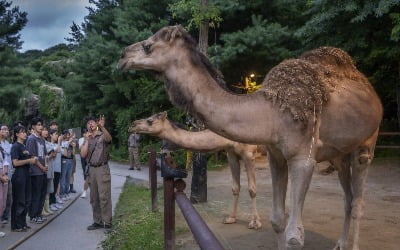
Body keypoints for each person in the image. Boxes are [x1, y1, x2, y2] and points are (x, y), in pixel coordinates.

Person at [80, 115, 112, 230]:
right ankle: (97, 221)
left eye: (92, 122)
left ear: (96, 123)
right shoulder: (86, 138)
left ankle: (107, 222)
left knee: (104, 196)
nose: (90, 124)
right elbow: (83, 154)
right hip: (91, 169)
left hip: (102, 168)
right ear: (86, 126)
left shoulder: (102, 135)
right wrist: (87, 140)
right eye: (88, 123)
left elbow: (109, 139)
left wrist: (103, 127)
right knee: (94, 197)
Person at [11, 125, 37, 232]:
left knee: (27, 200)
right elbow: (15, 163)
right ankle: (16, 225)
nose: (25, 133)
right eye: (22, 132)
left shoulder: (24, 146)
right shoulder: (15, 146)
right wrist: (29, 161)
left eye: (25, 132)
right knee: (19, 200)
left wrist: (32, 158)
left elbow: (27, 158)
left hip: (26, 174)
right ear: (17, 134)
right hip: (19, 175)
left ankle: (23, 223)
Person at [26, 117, 48, 224]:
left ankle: (38, 214)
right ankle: (33, 215)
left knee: (42, 193)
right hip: (35, 171)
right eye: (38, 125)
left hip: (43, 171)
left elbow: (44, 155)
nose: (41, 127)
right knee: (35, 194)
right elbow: (33, 157)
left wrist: (46, 166)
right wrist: (42, 167)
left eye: (41, 125)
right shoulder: (31, 139)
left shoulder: (41, 140)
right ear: (33, 126)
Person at [48, 129, 63, 210]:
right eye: (55, 134)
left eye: (57, 134)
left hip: (58, 168)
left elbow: (60, 150)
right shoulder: (50, 144)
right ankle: (50, 203)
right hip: (52, 169)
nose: (57, 136)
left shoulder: (56, 144)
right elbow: (55, 152)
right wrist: (59, 141)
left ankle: (54, 202)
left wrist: (59, 143)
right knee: (52, 187)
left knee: (56, 185)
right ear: (50, 135)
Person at [0, 124, 12, 225]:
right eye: (3, 129)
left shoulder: (8, 143)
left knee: (8, 198)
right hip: (2, 175)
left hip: (8, 174)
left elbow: (8, 160)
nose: (6, 131)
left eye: (7, 129)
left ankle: (5, 217)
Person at [60, 130, 75, 200]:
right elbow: (64, 152)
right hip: (64, 160)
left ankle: (66, 193)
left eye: (68, 135)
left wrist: (74, 146)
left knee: (68, 177)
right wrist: (69, 142)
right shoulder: (62, 142)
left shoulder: (70, 143)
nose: (68, 136)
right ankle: (62, 194)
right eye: (67, 135)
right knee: (63, 177)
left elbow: (73, 154)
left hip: (70, 160)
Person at [0, 137, 9, 237]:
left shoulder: (1, 148)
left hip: (3, 174)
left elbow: (5, 161)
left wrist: (5, 174)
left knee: (3, 202)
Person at [78, 128, 90, 198]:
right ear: (83, 134)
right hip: (83, 157)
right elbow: (80, 148)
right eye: (85, 133)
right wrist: (85, 140)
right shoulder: (81, 139)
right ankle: (85, 189)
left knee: (89, 173)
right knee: (85, 172)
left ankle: (86, 188)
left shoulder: (91, 138)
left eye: (87, 132)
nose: (86, 134)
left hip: (89, 157)